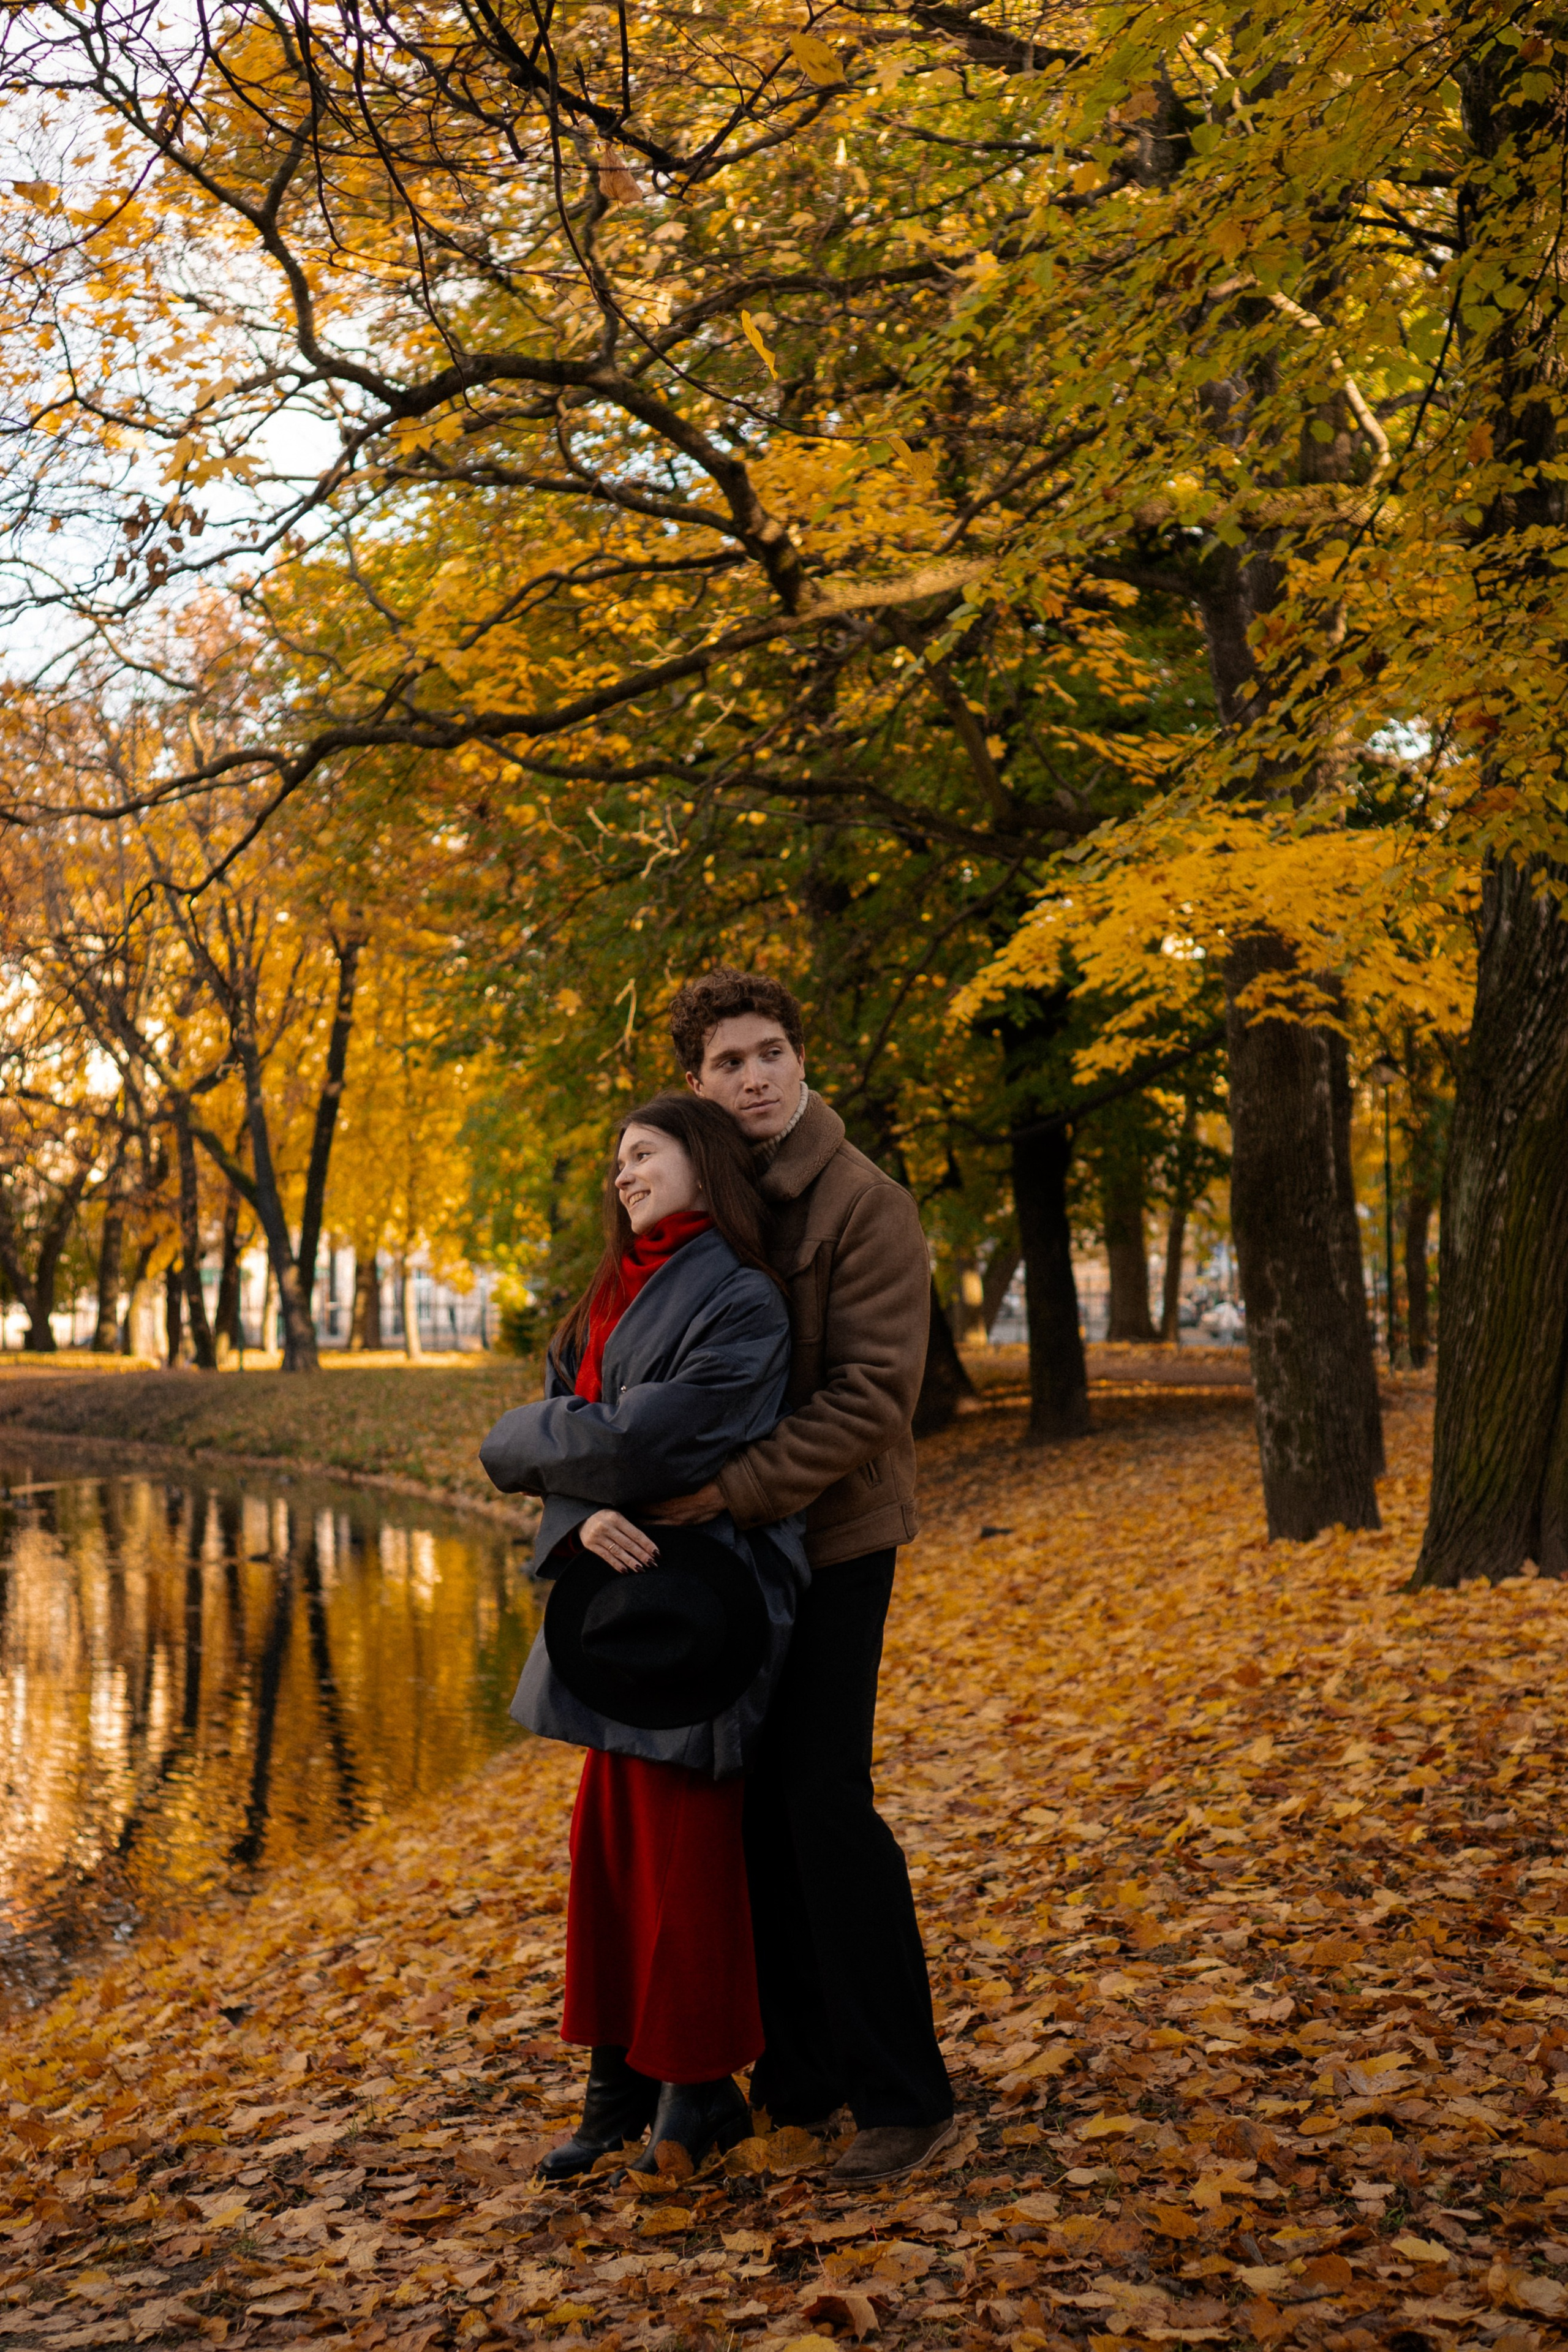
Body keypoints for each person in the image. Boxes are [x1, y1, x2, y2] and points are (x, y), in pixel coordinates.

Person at [647, 968, 956, 2187]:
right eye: (728, 1063)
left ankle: (907, 2096)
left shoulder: (861, 1202)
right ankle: (802, 2078)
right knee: (758, 1816)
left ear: (799, 1057)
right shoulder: (713, 1197)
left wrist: (727, 1488)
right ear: (696, 1084)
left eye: (770, 1051)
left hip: (832, 1543)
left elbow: (872, 1400)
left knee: (824, 1805)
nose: (755, 1077)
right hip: (731, 1559)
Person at [479, 1094, 807, 2180]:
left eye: (644, 1155)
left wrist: (556, 1456)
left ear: (706, 1166)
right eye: (617, 1160)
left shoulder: (745, 1300)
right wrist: (578, 1509)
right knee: (609, 1856)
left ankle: (693, 2088)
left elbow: (651, 1442)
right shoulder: (600, 1301)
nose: (624, 1175)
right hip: (612, 1598)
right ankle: (615, 2087)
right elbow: (551, 1451)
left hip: (701, 1609)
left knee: (688, 1860)